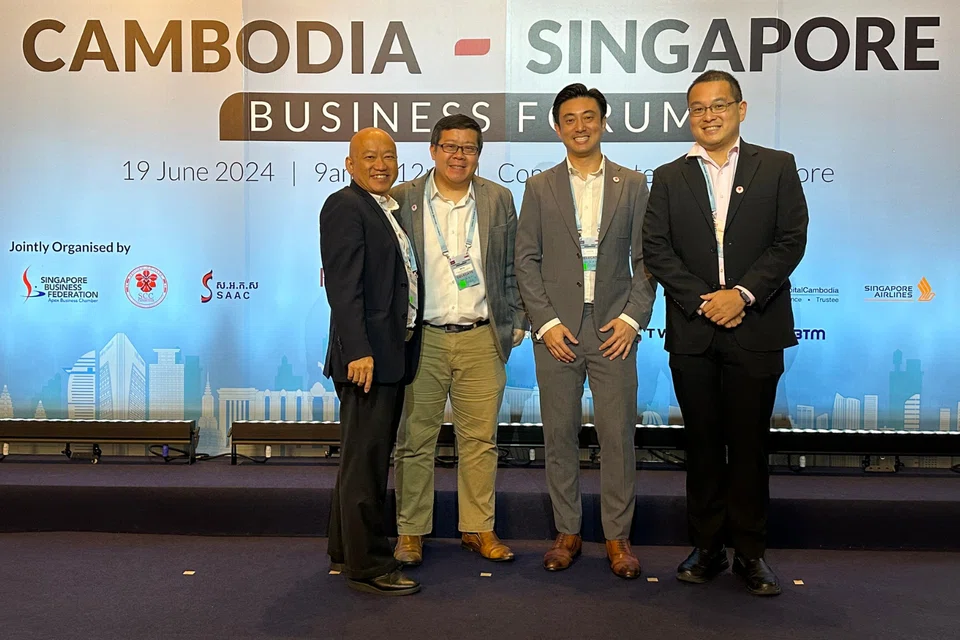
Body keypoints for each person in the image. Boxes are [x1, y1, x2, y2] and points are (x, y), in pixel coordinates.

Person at [642, 70, 808, 596]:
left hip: (756, 326)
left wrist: (742, 295)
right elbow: (656, 249)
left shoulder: (777, 167)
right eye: (698, 108)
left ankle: (752, 554)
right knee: (704, 446)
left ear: (741, 108)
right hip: (694, 331)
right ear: (688, 115)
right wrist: (704, 301)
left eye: (719, 105)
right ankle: (708, 546)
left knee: (751, 446)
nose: (708, 115)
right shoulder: (669, 176)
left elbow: (790, 241)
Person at [515, 83, 656, 579]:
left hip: (613, 328)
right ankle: (568, 531)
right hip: (558, 332)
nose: (580, 126)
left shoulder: (634, 184)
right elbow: (525, 260)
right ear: (557, 126)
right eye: (570, 118)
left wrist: (633, 318)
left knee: (618, 437)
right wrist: (546, 322)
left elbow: (647, 260)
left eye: (589, 116)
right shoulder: (538, 187)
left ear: (603, 122)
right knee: (559, 435)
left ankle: (618, 538)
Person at [391, 114, 527, 566]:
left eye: (468, 148)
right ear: (433, 151)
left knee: (480, 441)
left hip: (481, 337)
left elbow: (512, 265)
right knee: (414, 441)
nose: (459, 155)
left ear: (478, 154)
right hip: (421, 339)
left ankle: (478, 528)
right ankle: (411, 532)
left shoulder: (498, 198)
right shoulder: (403, 198)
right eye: (450, 146)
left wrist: (518, 319)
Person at [320, 127, 423, 596]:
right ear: (350, 164)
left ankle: (346, 548)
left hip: (388, 352)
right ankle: (370, 565)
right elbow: (344, 289)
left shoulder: (384, 209)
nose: (380, 164)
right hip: (368, 357)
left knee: (361, 458)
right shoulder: (346, 205)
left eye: (388, 156)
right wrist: (359, 350)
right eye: (369, 157)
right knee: (368, 462)